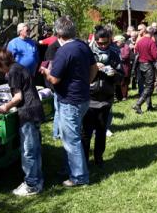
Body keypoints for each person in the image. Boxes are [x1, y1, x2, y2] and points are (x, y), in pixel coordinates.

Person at [40, 16, 97, 187]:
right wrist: (87, 82)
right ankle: (69, 168)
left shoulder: (63, 51)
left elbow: (55, 79)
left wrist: (45, 72)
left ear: (58, 32)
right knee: (73, 136)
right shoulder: (83, 46)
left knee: (71, 140)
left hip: (70, 101)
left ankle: (79, 177)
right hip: (83, 98)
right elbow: (94, 68)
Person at [0, 49, 44, 196]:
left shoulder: (13, 72)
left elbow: (18, 97)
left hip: (28, 112)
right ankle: (37, 180)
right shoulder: (19, 67)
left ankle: (31, 184)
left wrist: (5, 107)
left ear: (0, 64)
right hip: (35, 110)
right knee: (35, 148)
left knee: (28, 150)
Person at [82, 28, 123, 167]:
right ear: (95, 41)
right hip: (89, 97)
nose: (103, 46)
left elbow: (121, 77)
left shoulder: (114, 54)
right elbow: (79, 75)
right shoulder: (87, 53)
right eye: (100, 44)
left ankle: (99, 158)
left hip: (106, 98)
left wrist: (114, 74)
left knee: (101, 130)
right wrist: (93, 68)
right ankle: (84, 159)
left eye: (106, 43)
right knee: (86, 132)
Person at [132, 26, 157, 114]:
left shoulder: (139, 41)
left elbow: (136, 51)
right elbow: (156, 55)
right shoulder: (151, 42)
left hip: (140, 65)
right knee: (149, 86)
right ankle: (138, 104)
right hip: (148, 66)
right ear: (151, 33)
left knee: (147, 85)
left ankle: (149, 105)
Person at [114, 35, 131, 100]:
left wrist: (118, 57)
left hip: (124, 67)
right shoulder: (115, 47)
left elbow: (126, 56)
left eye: (117, 42)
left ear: (121, 41)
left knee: (124, 82)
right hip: (118, 67)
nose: (116, 43)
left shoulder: (126, 47)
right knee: (118, 82)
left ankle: (124, 96)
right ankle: (119, 96)